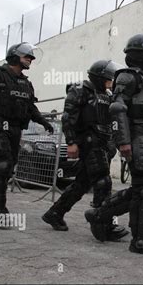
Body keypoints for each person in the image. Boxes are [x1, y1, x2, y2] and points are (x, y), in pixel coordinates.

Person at [86, 33, 143, 256]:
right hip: (133, 136)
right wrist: (123, 141)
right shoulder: (128, 77)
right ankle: (140, 241)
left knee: (140, 190)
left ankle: (99, 216)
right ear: (140, 55)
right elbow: (117, 108)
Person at [42, 60, 128, 241]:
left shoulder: (107, 95)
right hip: (88, 142)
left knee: (81, 184)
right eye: (108, 79)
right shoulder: (80, 90)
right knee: (103, 182)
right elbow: (68, 117)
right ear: (98, 77)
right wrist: (71, 142)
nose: (111, 82)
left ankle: (55, 213)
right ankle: (103, 224)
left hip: (103, 144)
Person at [0, 42, 53, 225]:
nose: (30, 60)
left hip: (16, 130)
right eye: (27, 57)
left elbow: (30, 107)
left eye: (32, 58)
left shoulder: (26, 84)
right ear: (15, 57)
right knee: (2, 164)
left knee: (7, 168)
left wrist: (44, 122)